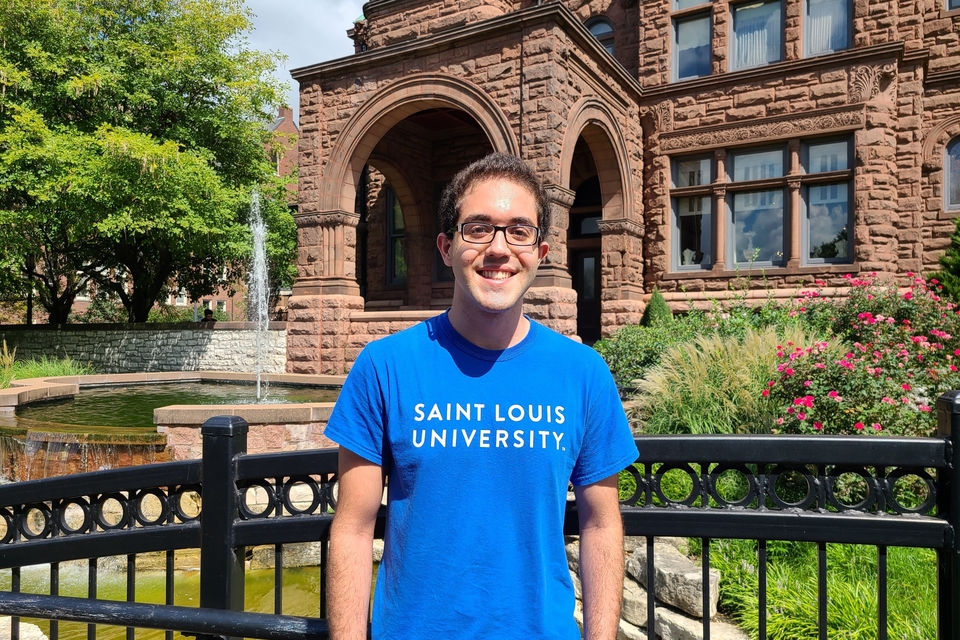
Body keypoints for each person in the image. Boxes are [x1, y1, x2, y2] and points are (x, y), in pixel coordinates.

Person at [324, 152, 639, 640]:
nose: (499, 248)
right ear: (446, 248)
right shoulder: (384, 366)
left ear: (542, 250)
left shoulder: (583, 374)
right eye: (478, 228)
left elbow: (601, 526)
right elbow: (353, 528)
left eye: (519, 230)